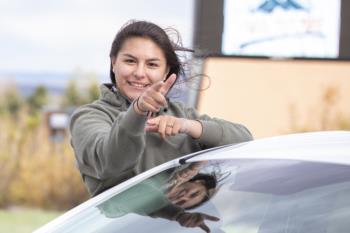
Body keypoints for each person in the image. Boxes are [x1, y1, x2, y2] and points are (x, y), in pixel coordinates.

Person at [69, 20, 253, 197]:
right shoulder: (89, 117)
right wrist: (138, 111)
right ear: (114, 62)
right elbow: (111, 162)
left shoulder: (181, 114)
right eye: (130, 61)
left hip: (185, 227)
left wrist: (188, 126)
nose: (140, 73)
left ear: (166, 72)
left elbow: (244, 139)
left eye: (152, 64)